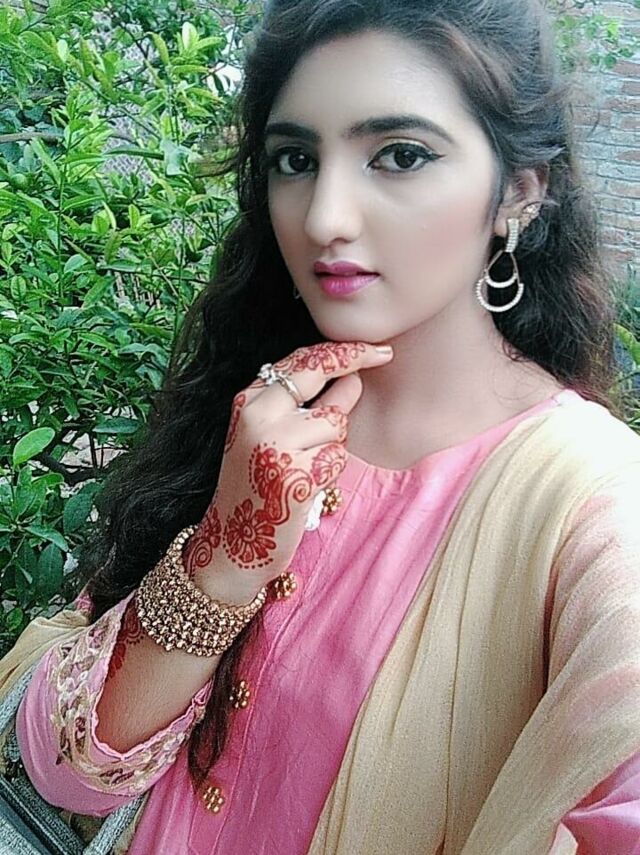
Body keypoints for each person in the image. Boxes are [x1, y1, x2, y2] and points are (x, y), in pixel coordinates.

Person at [8, 0, 640, 852]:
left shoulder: (593, 504)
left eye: (401, 155)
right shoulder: (259, 409)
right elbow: (62, 772)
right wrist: (226, 557)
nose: (323, 217)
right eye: (296, 160)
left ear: (519, 192)